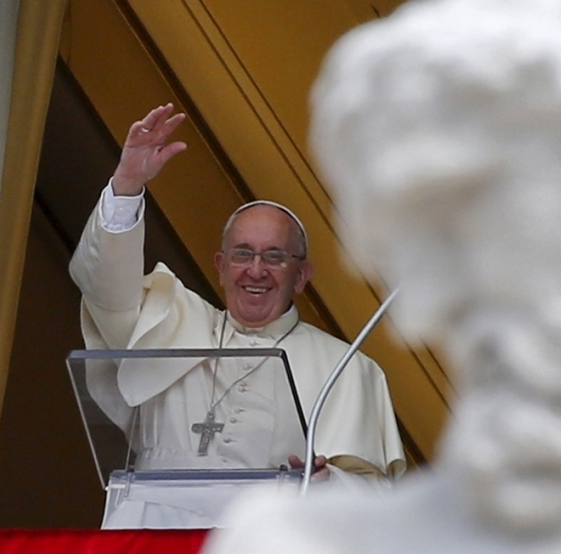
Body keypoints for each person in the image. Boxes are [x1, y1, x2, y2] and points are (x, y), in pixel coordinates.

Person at [69, 104, 406, 526]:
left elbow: (376, 497)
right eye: (242, 254)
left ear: (301, 276)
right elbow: (103, 288)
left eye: (275, 257)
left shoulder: (347, 367)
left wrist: (328, 482)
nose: (256, 270)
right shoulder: (169, 319)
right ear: (221, 265)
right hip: (151, 530)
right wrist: (128, 183)